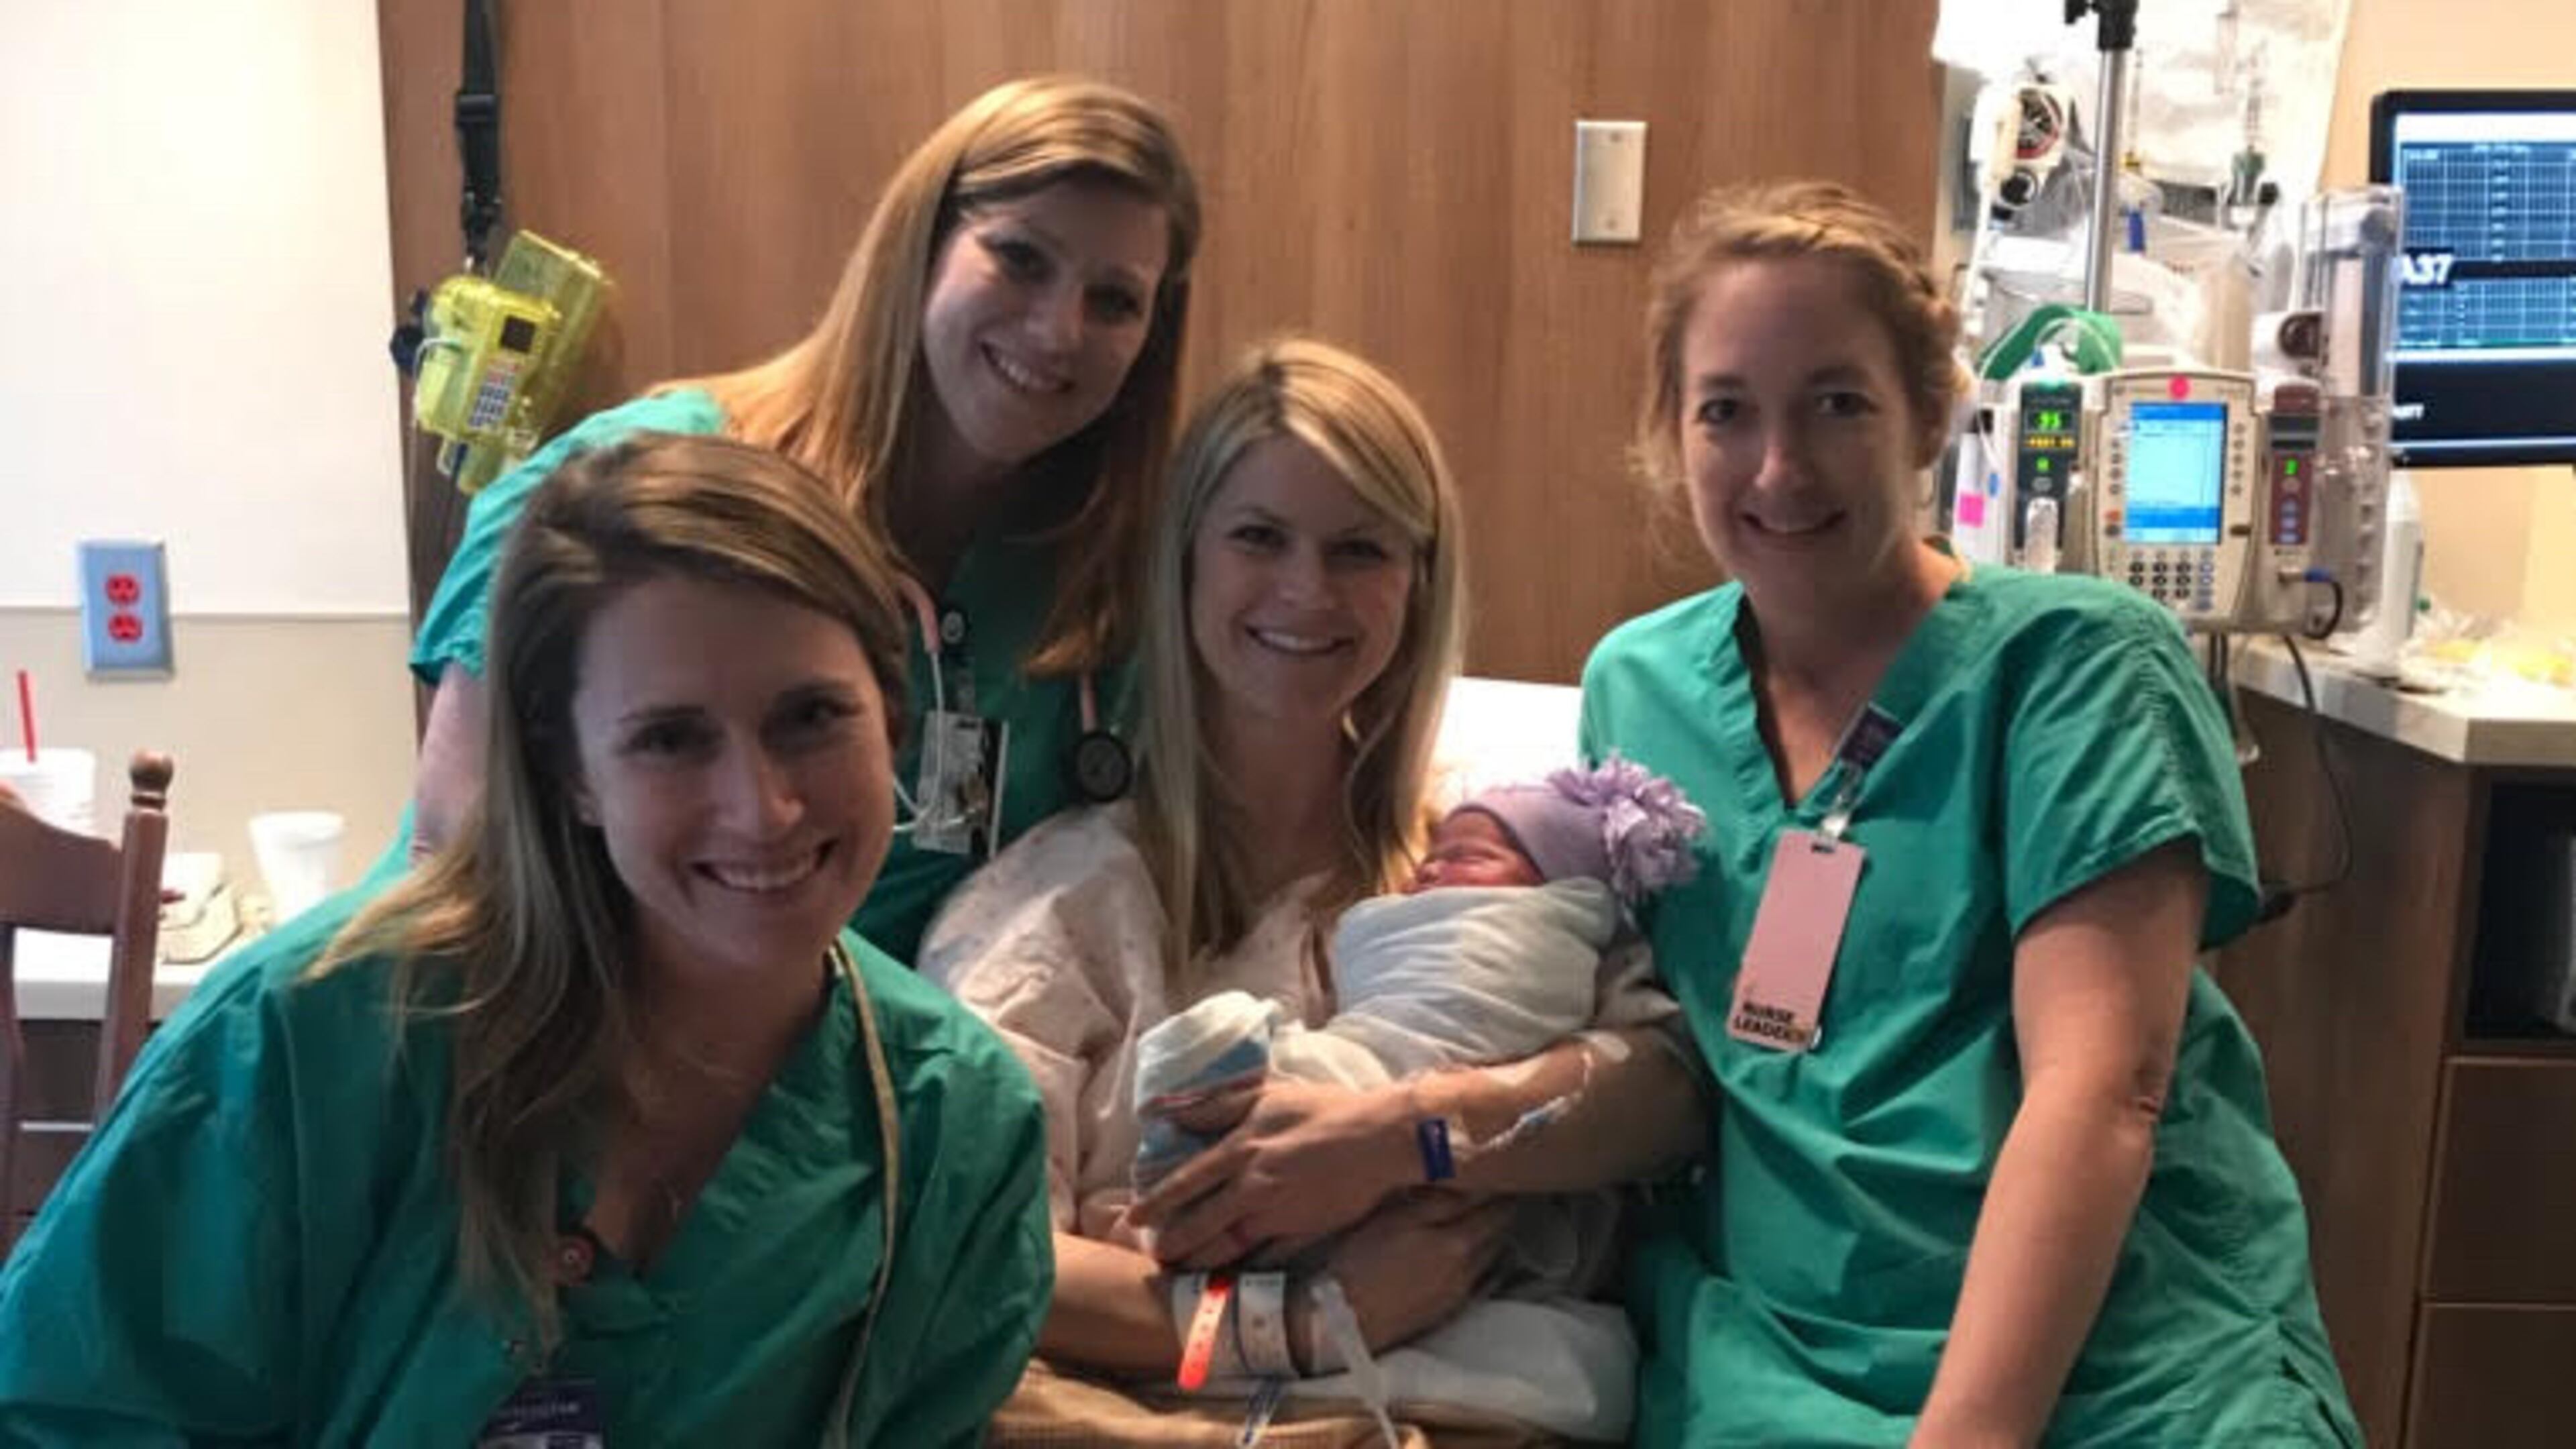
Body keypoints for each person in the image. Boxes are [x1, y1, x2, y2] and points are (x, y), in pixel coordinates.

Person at [0, 435, 1053, 1445]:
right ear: (572, 772)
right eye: (671, 739)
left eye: (812, 717)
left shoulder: (951, 1135)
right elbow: (65, 1413)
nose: (764, 807)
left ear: (895, 718)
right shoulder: (316, 1041)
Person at [1580, 179, 2360, 1446]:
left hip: (2129, 1355)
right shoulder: (1641, 689)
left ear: (1931, 414)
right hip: (1791, 1349)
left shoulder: (2081, 666)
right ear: (1672, 432)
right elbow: (1661, 1049)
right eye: (1727, 412)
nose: (1778, 469)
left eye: (1838, 403)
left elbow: (2104, 1091)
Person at [920, 337, 1708, 1446]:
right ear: (1182, 560)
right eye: (1258, 538)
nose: (1307, 590)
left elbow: (1662, 1097)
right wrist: (1303, 1321)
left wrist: (1401, 1137)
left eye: (1360, 549)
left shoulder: (1495, 857)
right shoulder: (1057, 913)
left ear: (1418, 583)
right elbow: (984, 1265)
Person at [409, 74, 1201, 963]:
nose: (1060, 330)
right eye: (1020, 259)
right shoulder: (621, 496)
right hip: (576, 1056)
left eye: (1116, 300)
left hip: (900, 1076)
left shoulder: (1098, 572)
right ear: (922, 248)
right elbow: (459, 862)